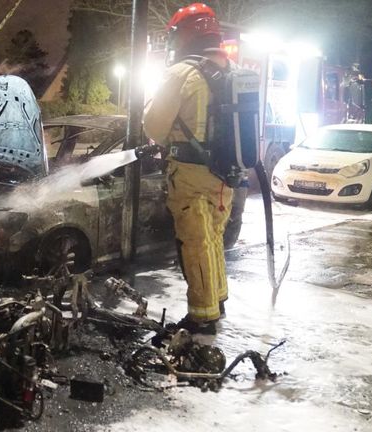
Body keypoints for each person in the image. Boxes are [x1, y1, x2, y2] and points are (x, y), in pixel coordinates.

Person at [142, 3, 233, 335]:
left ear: (186, 36)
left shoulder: (182, 73)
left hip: (192, 174)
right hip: (225, 174)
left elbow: (153, 123)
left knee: (195, 243)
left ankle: (202, 316)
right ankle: (218, 298)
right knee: (213, 239)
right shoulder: (229, 69)